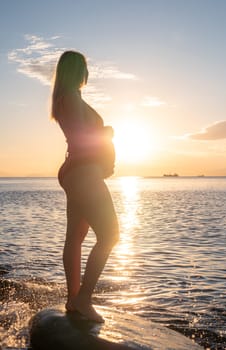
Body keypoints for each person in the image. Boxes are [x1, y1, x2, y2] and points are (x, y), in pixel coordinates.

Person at [51, 51, 119, 323]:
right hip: (84, 171)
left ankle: (73, 299)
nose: (85, 73)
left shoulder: (62, 99)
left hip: (75, 171)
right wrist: (107, 133)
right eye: (83, 68)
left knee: (75, 238)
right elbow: (81, 136)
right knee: (110, 234)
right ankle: (84, 298)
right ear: (77, 71)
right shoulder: (73, 97)